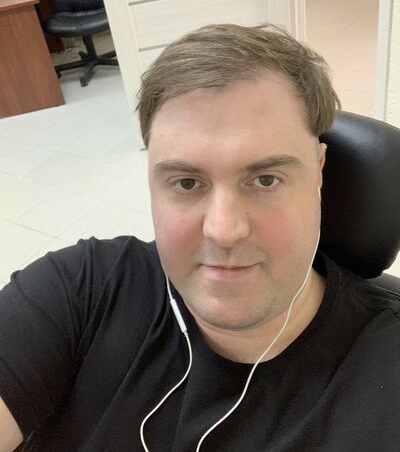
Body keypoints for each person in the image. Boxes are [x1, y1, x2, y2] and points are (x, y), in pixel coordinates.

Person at [0, 24, 399, 452]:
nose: (223, 231)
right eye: (187, 183)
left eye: (266, 179)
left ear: (319, 171)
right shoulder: (79, 291)